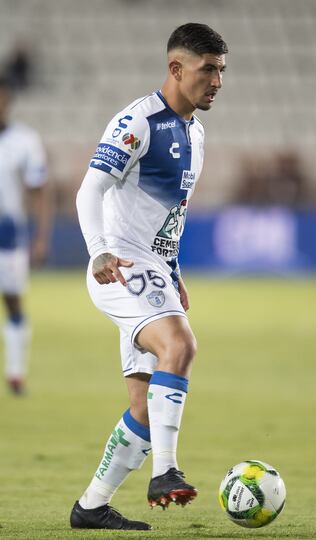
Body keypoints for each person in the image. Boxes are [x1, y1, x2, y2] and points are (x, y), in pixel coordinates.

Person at [72, 23, 228, 531]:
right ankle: (165, 472)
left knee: (142, 406)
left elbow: (171, 215)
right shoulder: (137, 121)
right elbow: (88, 192)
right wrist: (98, 253)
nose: (217, 81)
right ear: (177, 69)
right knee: (180, 346)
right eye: (208, 70)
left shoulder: (196, 133)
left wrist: (174, 270)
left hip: (154, 268)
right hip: (119, 266)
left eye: (222, 70)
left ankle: (91, 506)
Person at [0, 77, 49, 395]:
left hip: (8, 234)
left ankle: (16, 374)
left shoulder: (25, 141)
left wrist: (41, 236)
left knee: (13, 302)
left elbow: (38, 191)